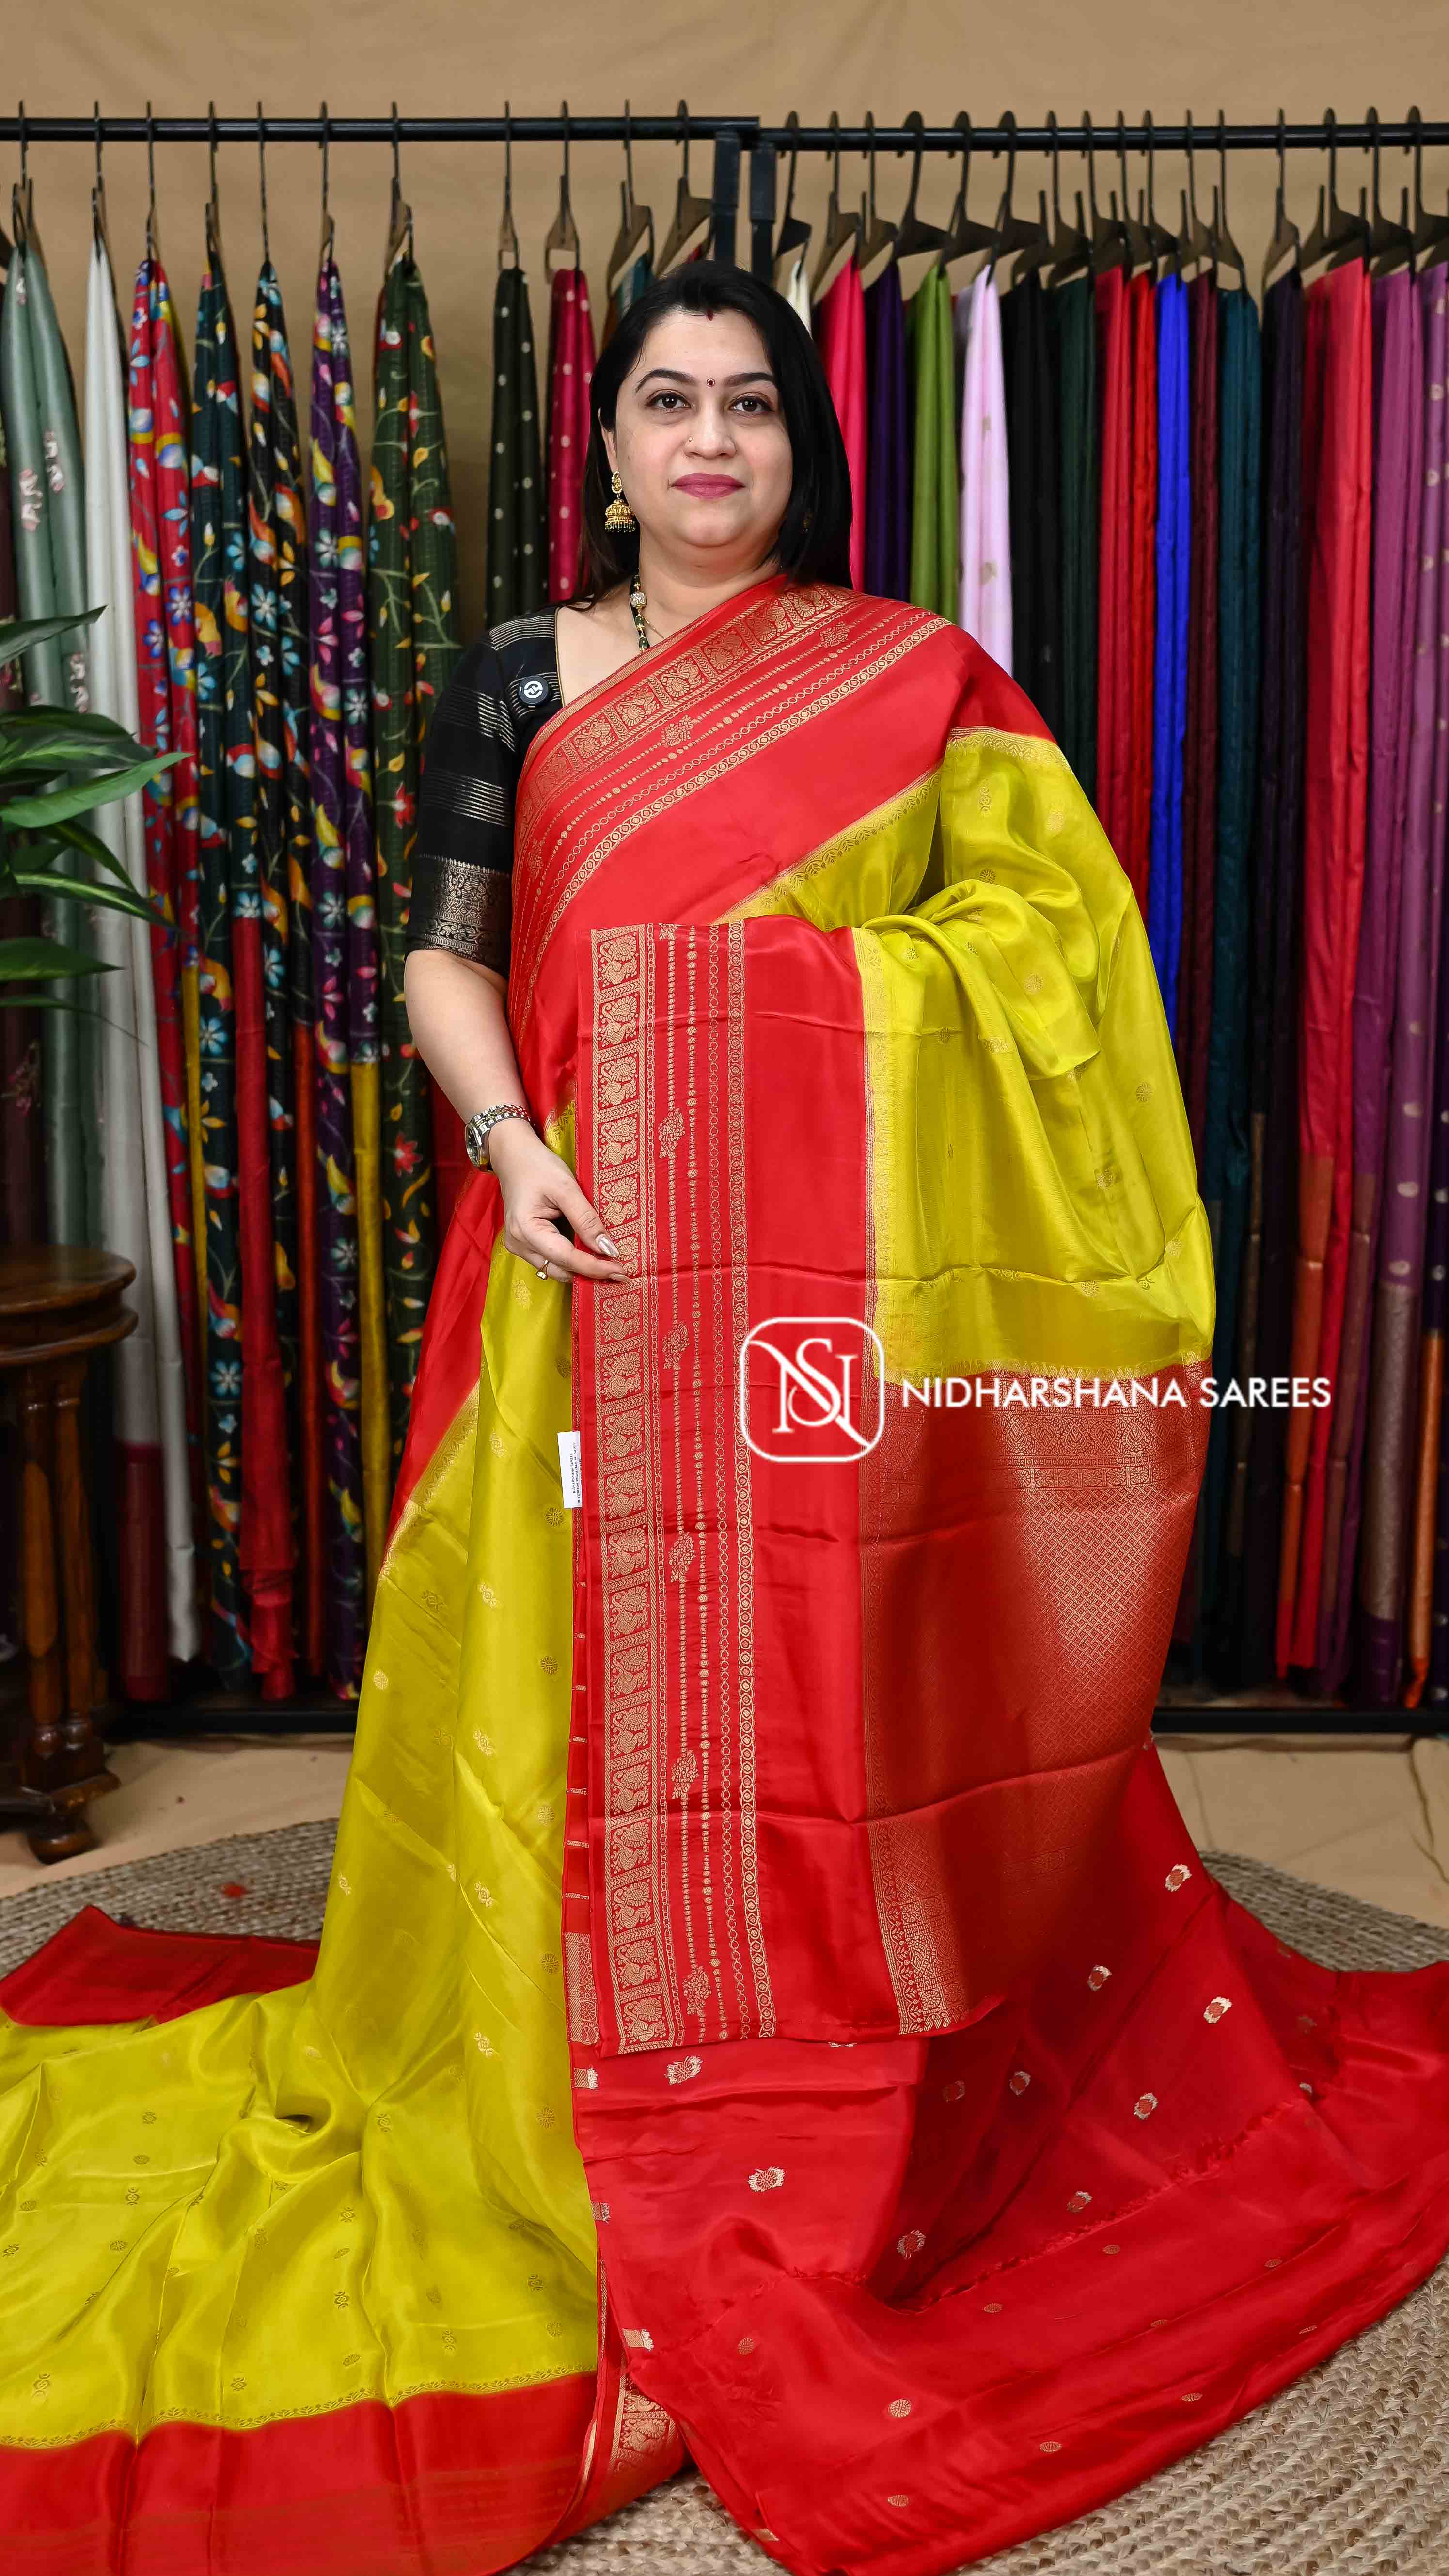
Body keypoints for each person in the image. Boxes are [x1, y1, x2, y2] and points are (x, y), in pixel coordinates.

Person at [1, 262, 1447, 2576]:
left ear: (799, 445)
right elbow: (447, 949)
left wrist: (753, 1012)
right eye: (666, 402)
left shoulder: (913, 681)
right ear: (605, 451)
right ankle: (548, 2063)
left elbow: (1050, 974)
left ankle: (837, 2051)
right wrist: (511, 1139)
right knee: (548, 1685)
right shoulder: (521, 675)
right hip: (579, 1262)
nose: (707, 441)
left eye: (748, 405)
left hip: (822, 1303)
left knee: (830, 1676)